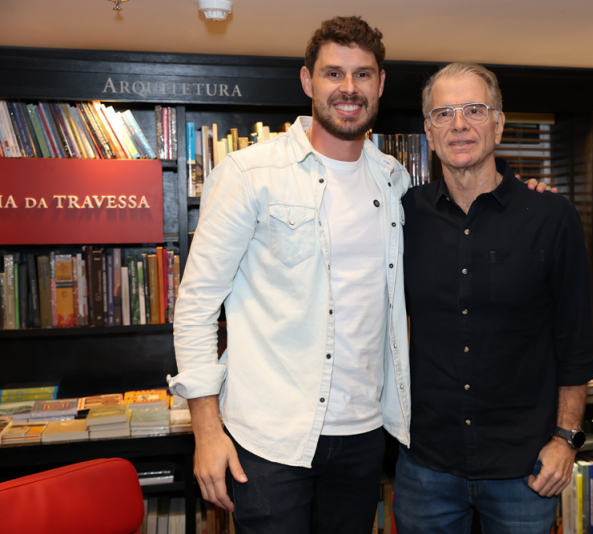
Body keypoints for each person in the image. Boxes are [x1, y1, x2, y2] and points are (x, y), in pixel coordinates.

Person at [168, 16, 411, 534]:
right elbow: (196, 307)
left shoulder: (393, 180)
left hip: (364, 434)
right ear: (307, 81)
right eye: (333, 73)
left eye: (363, 74)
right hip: (268, 440)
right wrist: (207, 431)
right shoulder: (249, 174)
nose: (349, 88)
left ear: (381, 84)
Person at [394, 63, 593, 534]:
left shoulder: (551, 216)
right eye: (443, 114)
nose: (458, 124)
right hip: (426, 465)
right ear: (429, 133)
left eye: (474, 110)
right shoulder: (404, 217)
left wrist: (566, 438)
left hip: (525, 469)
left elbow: (575, 342)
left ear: (499, 125)